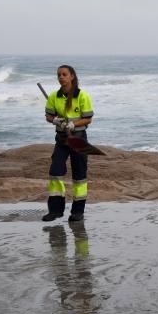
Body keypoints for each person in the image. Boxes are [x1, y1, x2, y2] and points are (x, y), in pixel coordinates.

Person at [43, 64, 94, 222]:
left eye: (64, 74)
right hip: (61, 139)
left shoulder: (82, 96)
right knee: (55, 171)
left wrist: (74, 124)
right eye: (59, 75)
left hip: (78, 138)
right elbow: (48, 116)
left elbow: (88, 119)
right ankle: (55, 210)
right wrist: (55, 120)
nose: (61, 77)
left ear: (72, 76)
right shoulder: (54, 96)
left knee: (79, 176)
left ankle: (77, 212)